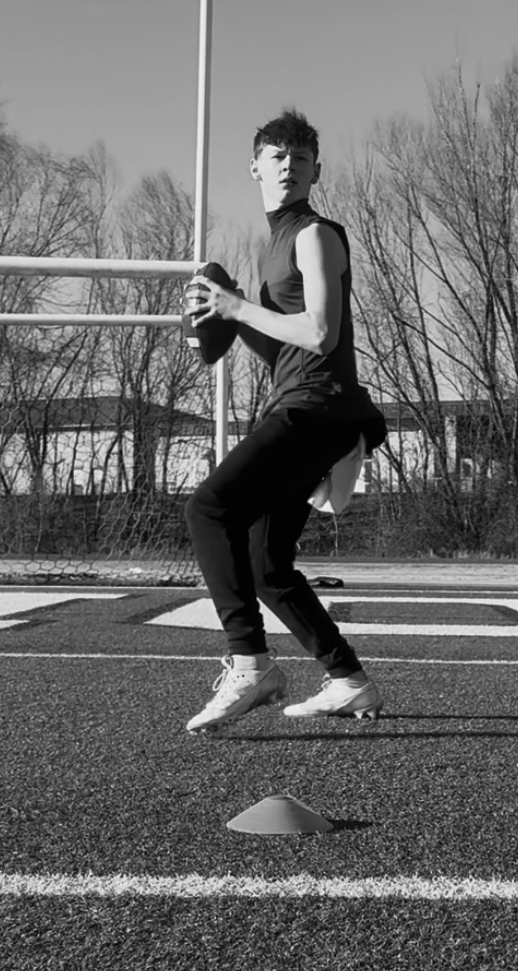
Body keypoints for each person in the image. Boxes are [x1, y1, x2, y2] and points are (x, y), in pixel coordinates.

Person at [182, 108, 387, 733]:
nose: (288, 166)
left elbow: (321, 334)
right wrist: (230, 316)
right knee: (267, 564)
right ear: (255, 167)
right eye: (277, 156)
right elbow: (285, 349)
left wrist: (240, 306)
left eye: (300, 158)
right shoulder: (270, 246)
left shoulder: (315, 234)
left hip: (320, 409)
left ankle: (250, 664)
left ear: (315, 172)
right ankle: (349, 681)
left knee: (209, 508)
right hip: (301, 402)